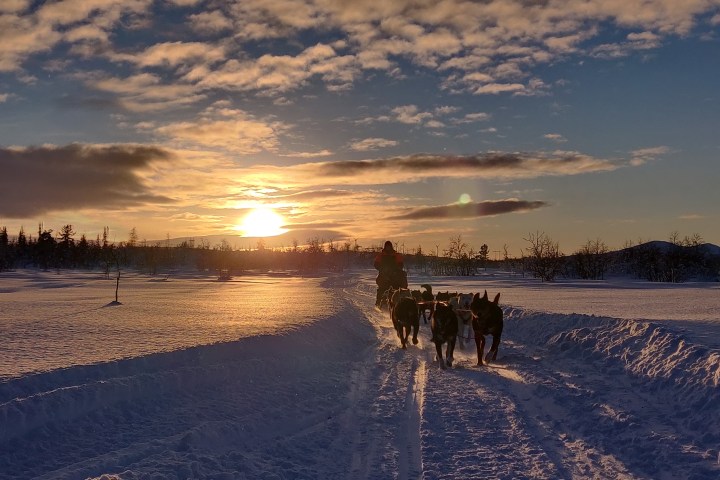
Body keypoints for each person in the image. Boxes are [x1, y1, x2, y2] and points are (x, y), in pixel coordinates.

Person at [374, 241, 408, 307]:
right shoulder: (381, 255)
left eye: (389, 246)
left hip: (394, 273)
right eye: (387, 246)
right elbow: (376, 264)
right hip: (384, 273)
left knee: (401, 281)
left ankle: (403, 299)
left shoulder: (396, 255)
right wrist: (382, 269)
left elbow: (400, 264)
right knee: (382, 286)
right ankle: (379, 301)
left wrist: (397, 270)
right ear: (385, 247)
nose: (388, 248)